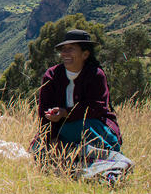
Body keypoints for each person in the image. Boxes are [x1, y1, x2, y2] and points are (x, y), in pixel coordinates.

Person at [31, 29, 122, 164]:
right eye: (63, 49)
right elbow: (43, 110)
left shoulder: (95, 75)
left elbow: (97, 107)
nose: (65, 53)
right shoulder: (52, 75)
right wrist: (49, 137)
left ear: (85, 54)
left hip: (92, 126)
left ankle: (106, 157)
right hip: (59, 128)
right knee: (37, 151)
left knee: (76, 129)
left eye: (71, 49)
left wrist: (65, 113)